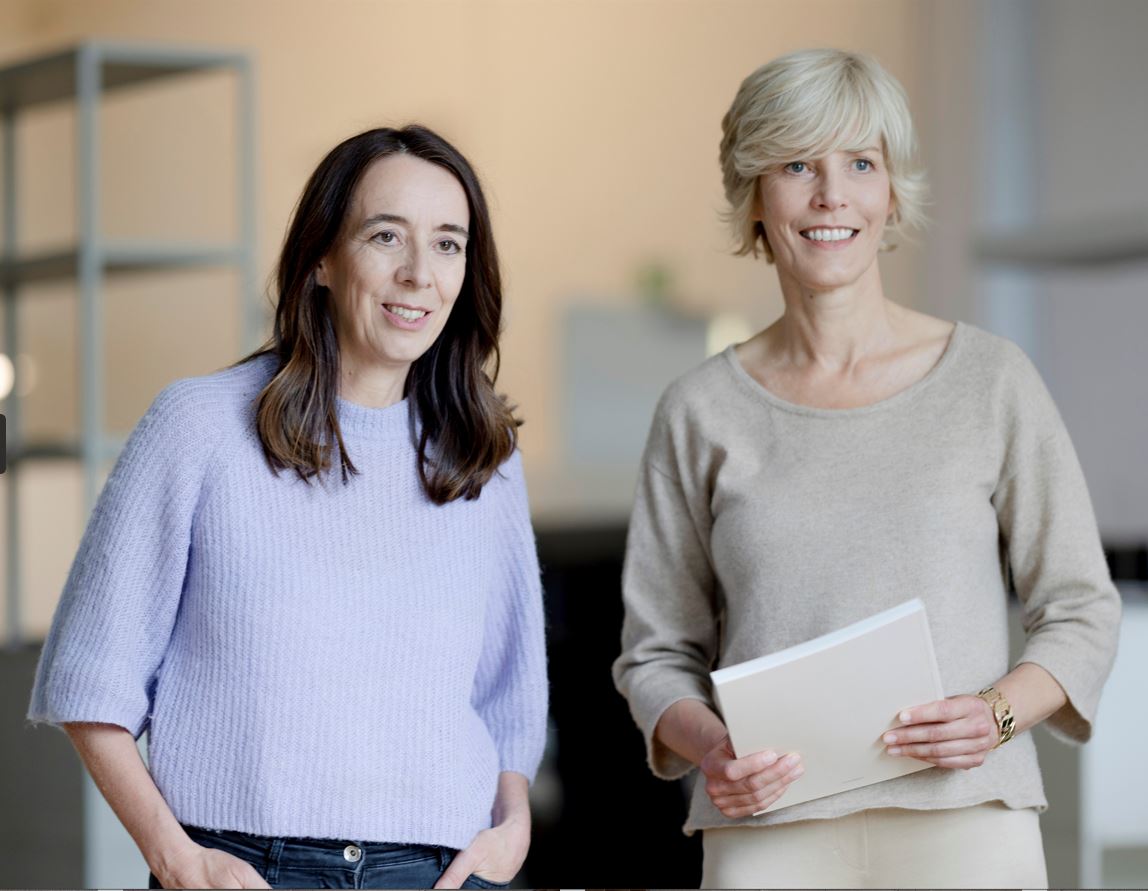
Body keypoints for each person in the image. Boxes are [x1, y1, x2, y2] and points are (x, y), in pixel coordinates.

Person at [612, 48, 1121, 889]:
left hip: (966, 822)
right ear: (754, 200)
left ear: (890, 194)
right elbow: (655, 653)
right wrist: (711, 746)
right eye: (796, 164)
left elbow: (1081, 610)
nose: (830, 195)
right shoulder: (699, 409)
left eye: (860, 163)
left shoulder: (991, 381)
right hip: (768, 833)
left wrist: (994, 717)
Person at [28, 125, 547, 890]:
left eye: (447, 244)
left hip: (441, 872)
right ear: (320, 261)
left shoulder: (485, 461)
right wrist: (175, 856)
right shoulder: (198, 427)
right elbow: (90, 680)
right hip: (243, 871)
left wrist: (512, 832)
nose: (418, 274)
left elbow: (510, 697)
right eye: (385, 237)